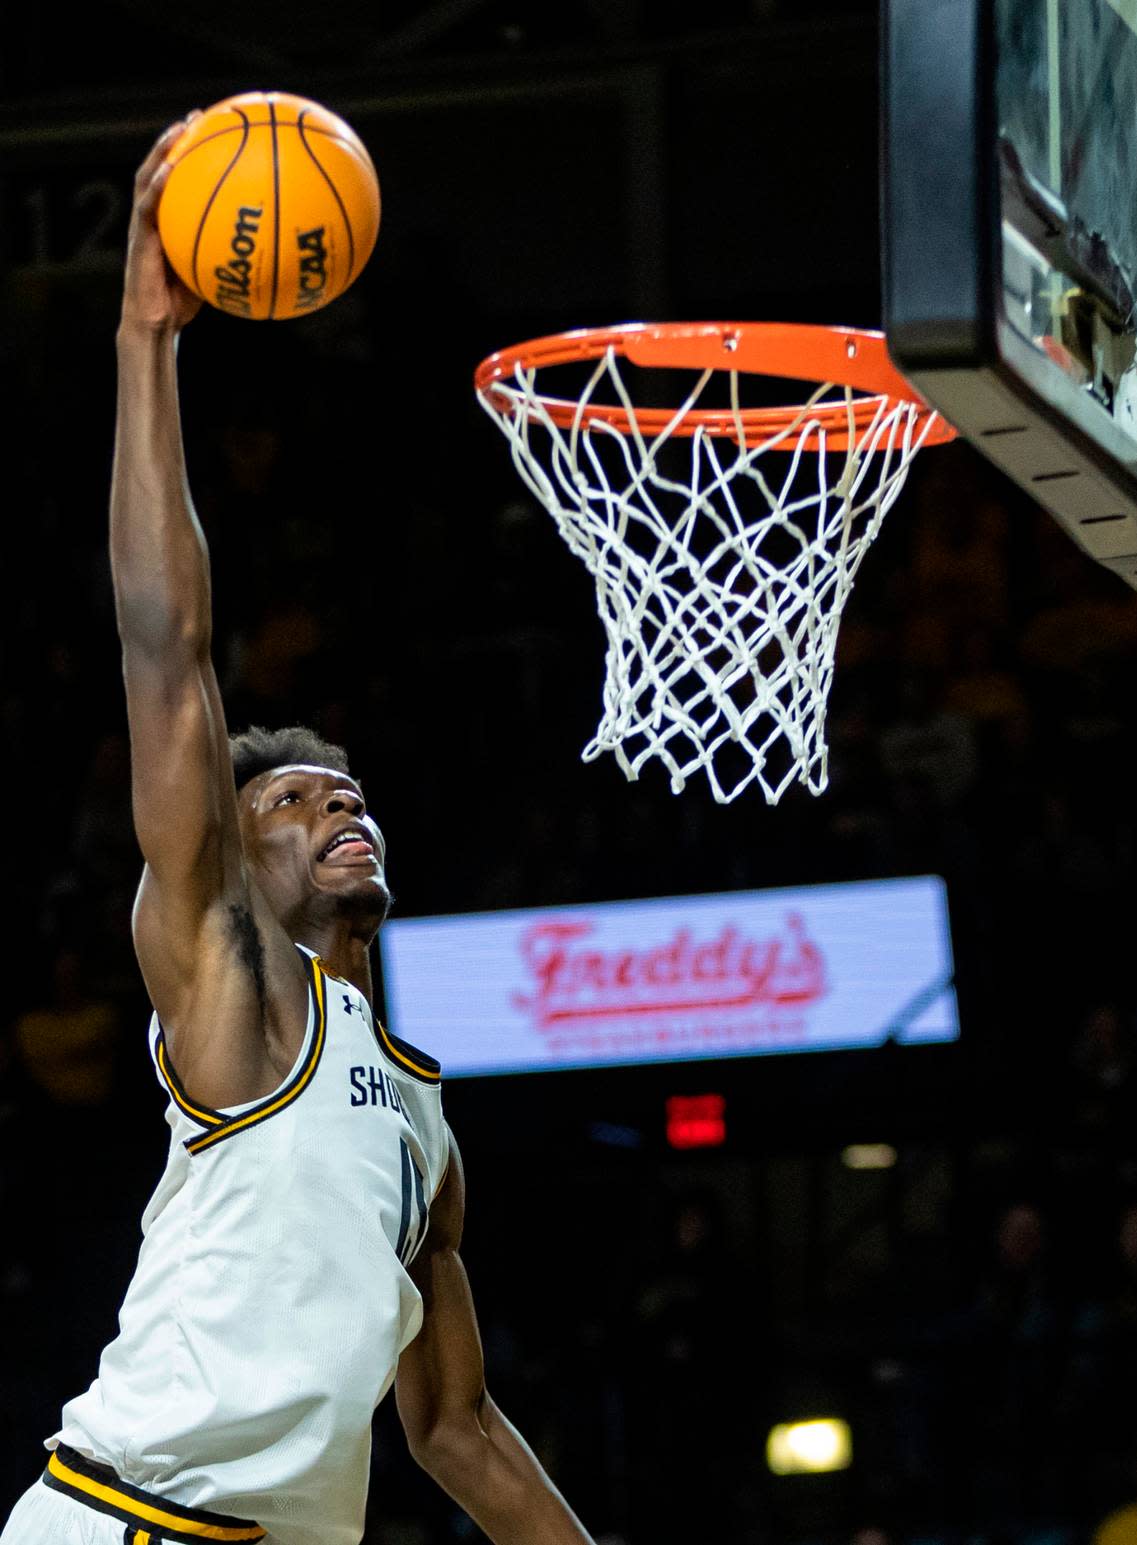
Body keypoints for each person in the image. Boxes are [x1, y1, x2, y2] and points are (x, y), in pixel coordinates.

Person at [0, 116, 595, 1545]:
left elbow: (455, 1429)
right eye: (289, 801)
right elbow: (166, 645)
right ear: (237, 875)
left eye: (346, 791)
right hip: (126, 1523)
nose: (338, 803)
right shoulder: (233, 994)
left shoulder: (425, 1128)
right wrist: (148, 342)